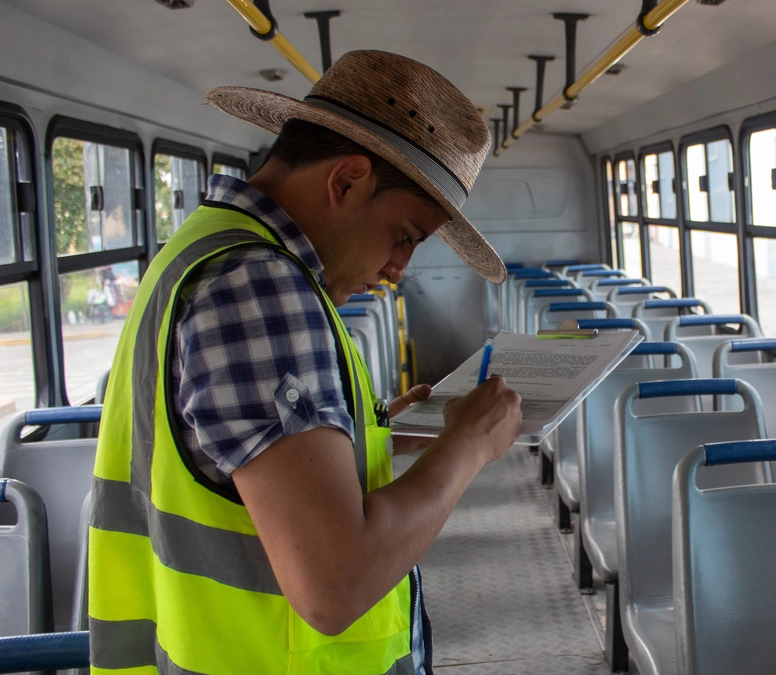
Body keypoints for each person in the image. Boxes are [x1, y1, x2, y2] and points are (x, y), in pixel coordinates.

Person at [88, 50, 522, 675]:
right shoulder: (261, 288)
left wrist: (370, 434)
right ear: (346, 181)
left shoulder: (201, 248)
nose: (399, 270)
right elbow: (335, 585)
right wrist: (467, 448)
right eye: (405, 234)